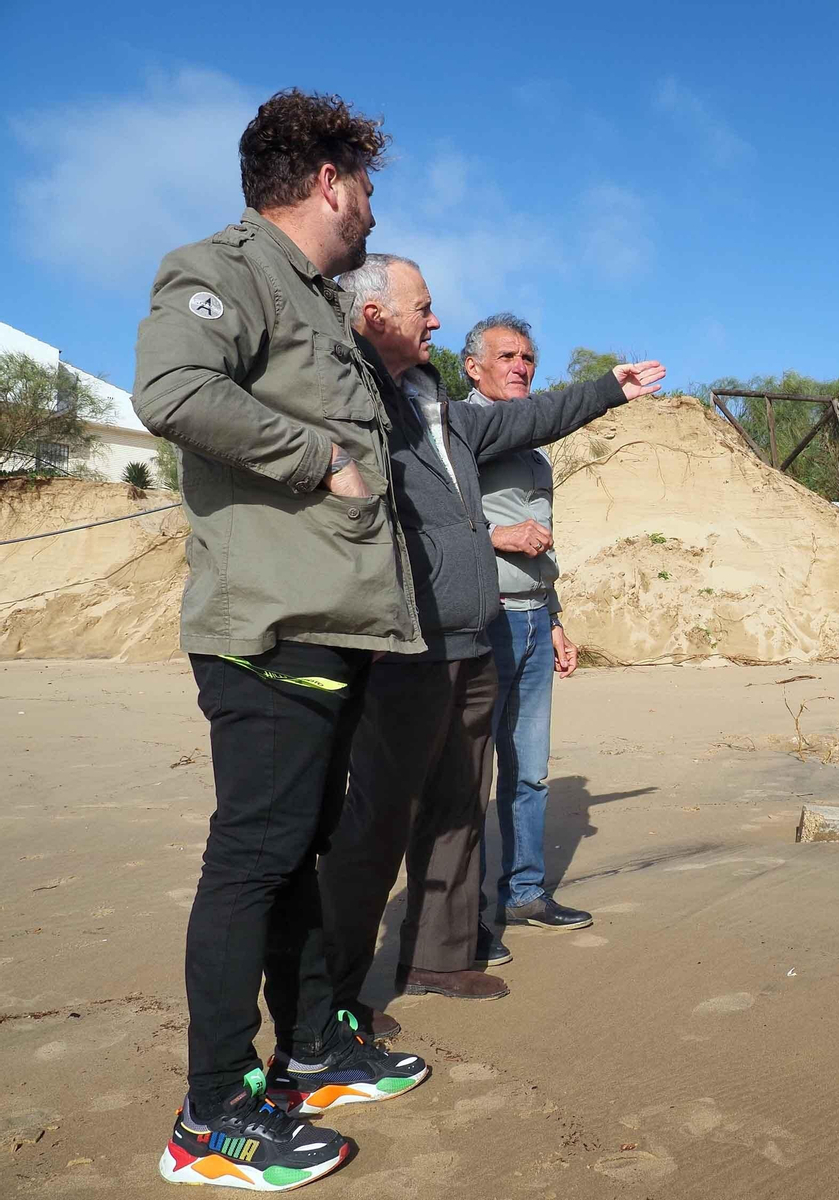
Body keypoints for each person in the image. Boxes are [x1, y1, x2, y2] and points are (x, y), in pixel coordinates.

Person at [132, 90, 429, 1192]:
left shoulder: (316, 298)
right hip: (267, 625)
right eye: (365, 187)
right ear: (328, 181)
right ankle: (210, 1117)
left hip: (332, 618)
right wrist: (317, 458)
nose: (368, 210)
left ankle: (310, 1050)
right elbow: (171, 389)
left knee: (296, 850)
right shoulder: (228, 268)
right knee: (253, 858)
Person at [318, 257, 664, 1033]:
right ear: (373, 316)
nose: (434, 321)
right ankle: (330, 999)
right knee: (380, 816)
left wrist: (608, 389)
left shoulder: (443, 412)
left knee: (461, 800)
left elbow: (536, 418)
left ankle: (443, 955)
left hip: (475, 638)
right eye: (423, 308)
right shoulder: (350, 400)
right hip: (404, 641)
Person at [462, 314, 592, 934]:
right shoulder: (455, 433)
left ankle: (525, 893)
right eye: (506, 356)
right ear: (473, 368)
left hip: (535, 620)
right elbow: (418, 519)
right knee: (472, 772)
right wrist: (496, 535)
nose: (520, 366)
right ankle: (470, 917)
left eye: (528, 358)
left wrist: (556, 617)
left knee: (530, 770)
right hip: (483, 625)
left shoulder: (533, 442)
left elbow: (539, 543)